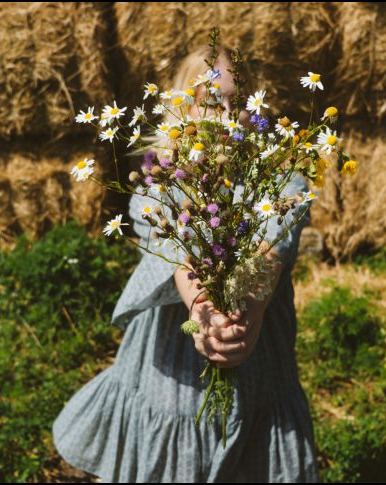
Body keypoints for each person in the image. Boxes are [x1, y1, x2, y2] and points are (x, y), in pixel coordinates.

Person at [52, 44, 320, 483]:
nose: (228, 114)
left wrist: (247, 313)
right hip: (170, 366)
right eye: (213, 101)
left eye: (240, 102)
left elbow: (274, 247)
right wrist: (203, 309)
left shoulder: (278, 176)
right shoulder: (161, 179)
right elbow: (176, 253)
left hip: (257, 357)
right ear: (182, 105)